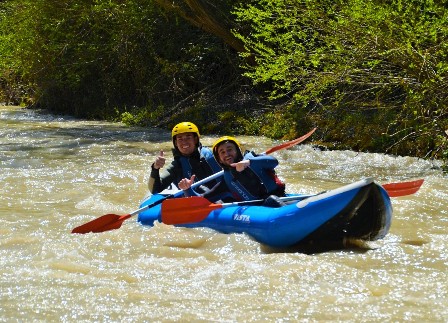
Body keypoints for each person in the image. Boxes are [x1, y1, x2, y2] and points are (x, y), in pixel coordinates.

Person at [178, 136, 286, 205]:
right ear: (219, 159)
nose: (227, 154)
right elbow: (202, 200)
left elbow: (273, 162)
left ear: (237, 151)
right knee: (271, 200)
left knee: (272, 199)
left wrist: (249, 163)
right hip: (259, 209)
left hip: (279, 198)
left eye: (230, 150)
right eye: (222, 152)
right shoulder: (227, 181)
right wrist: (187, 189)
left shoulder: (251, 160)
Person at [148, 122, 222, 193]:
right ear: (176, 143)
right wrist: (155, 168)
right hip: (197, 200)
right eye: (180, 139)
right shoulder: (177, 165)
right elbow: (154, 190)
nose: (184, 142)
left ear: (195, 139)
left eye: (188, 137)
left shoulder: (213, 154)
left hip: (223, 198)